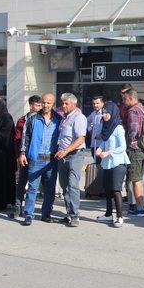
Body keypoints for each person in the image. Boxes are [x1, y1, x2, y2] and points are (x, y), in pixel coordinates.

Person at [19, 93, 61, 226]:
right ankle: (28, 215)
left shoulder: (59, 119)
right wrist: (22, 153)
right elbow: (25, 137)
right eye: (43, 102)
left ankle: (46, 213)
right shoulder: (32, 118)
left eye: (48, 103)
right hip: (36, 158)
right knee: (32, 188)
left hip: (51, 158)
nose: (45, 105)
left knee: (50, 189)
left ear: (53, 104)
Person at [95, 101, 130, 228]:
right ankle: (108, 214)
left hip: (118, 162)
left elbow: (123, 147)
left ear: (113, 113)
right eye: (103, 113)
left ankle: (120, 217)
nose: (104, 115)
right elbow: (105, 141)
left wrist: (108, 152)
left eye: (107, 113)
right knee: (107, 190)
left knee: (116, 189)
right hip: (107, 162)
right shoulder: (106, 126)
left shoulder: (118, 127)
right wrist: (100, 148)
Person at [55, 93, 87, 227]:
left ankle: (75, 215)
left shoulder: (79, 117)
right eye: (62, 103)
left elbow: (80, 139)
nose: (63, 106)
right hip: (63, 155)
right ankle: (69, 213)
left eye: (66, 103)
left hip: (74, 155)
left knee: (73, 185)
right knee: (64, 185)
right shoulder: (64, 118)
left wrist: (65, 151)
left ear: (74, 104)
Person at [122, 89, 144, 217]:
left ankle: (140, 208)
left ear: (131, 98)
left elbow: (133, 130)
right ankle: (137, 205)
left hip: (136, 149)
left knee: (136, 179)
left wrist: (128, 141)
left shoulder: (133, 111)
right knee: (139, 177)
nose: (123, 102)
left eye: (124, 99)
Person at [12, 95, 42, 217]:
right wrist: (19, 155)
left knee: (34, 184)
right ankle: (17, 207)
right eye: (38, 105)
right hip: (25, 156)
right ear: (31, 106)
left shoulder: (42, 119)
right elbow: (18, 140)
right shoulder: (22, 120)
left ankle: (34, 210)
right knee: (21, 182)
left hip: (39, 157)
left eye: (41, 105)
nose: (40, 107)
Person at [87, 95, 104, 161]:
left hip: (102, 144)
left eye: (97, 103)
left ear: (102, 103)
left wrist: (102, 134)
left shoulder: (105, 113)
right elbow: (86, 121)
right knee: (96, 164)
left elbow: (109, 126)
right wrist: (90, 129)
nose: (95, 105)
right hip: (94, 144)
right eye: (94, 104)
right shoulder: (93, 113)